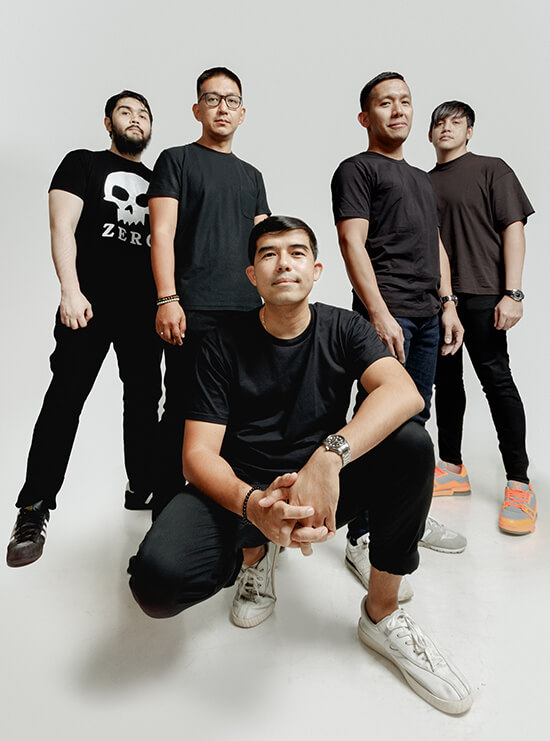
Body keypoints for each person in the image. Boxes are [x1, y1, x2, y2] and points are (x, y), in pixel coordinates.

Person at [128, 215, 473, 714]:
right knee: (156, 584)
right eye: (268, 254)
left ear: (316, 270)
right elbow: (197, 456)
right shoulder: (221, 342)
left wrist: (330, 456)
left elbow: (404, 393)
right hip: (243, 493)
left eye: (296, 253)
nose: (283, 263)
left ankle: (381, 614)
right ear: (252, 275)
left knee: (411, 444)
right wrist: (254, 507)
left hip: (319, 491)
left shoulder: (344, 327)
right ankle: (255, 556)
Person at [6, 90, 162, 568]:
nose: (135, 119)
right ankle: (33, 508)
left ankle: (142, 486)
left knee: (144, 400)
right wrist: (70, 290)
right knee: (65, 400)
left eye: (143, 114)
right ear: (108, 121)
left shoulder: (158, 181)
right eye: (125, 112)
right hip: (88, 305)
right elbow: (62, 227)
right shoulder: (83, 163)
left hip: (142, 310)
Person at [330, 72, 466, 588]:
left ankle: (407, 516)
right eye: (386, 103)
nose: (399, 110)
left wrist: (448, 303)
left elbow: (436, 244)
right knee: (376, 423)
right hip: (389, 314)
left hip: (428, 315)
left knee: (416, 420)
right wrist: (379, 313)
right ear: (365, 117)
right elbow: (351, 243)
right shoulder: (357, 169)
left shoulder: (423, 180)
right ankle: (362, 535)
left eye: (405, 101)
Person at [148, 66, 269, 515]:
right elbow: (161, 233)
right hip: (192, 310)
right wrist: (167, 298)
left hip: (247, 314)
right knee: (183, 411)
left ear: (243, 113)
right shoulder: (176, 160)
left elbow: (263, 245)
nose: (222, 108)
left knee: (239, 415)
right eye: (212, 99)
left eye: (231, 101)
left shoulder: (252, 176)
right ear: (197, 109)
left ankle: (229, 513)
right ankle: (166, 516)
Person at [428, 100, 536, 534]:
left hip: (485, 294)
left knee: (496, 382)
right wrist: (443, 299)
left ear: (469, 131)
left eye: (456, 122)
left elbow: (514, 229)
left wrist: (513, 292)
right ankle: (451, 467)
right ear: (429, 134)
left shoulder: (493, 169)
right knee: (446, 384)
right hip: (440, 300)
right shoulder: (422, 182)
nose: (447, 128)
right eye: (439, 122)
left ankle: (519, 483)